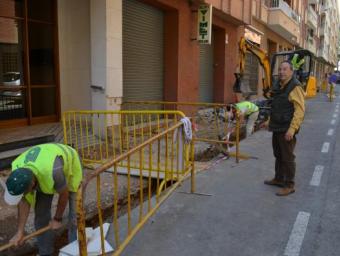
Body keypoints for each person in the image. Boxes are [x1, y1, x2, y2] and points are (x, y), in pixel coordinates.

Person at [4, 143, 83, 256]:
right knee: (41, 216)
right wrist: (20, 232)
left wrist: (58, 218)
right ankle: (46, 253)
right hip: (42, 171)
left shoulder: (53, 171)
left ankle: (75, 251)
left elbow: (64, 194)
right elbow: (24, 201)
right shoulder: (17, 169)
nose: (24, 195)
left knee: (75, 215)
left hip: (71, 163)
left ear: (32, 184)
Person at [264, 61, 305, 196]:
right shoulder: (279, 85)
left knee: (288, 157)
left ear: (291, 71)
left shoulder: (295, 87)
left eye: (285, 69)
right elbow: (276, 106)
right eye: (280, 69)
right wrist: (269, 121)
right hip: (277, 126)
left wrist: (292, 129)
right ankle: (279, 178)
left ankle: (289, 185)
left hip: (287, 128)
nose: (281, 72)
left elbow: (300, 110)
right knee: (278, 154)